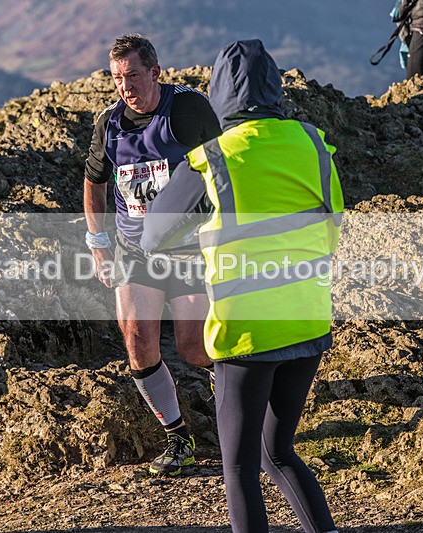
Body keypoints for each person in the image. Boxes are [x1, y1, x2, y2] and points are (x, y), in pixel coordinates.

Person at [142, 39, 343, 533]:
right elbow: (332, 223)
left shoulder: (212, 157)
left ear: (218, 95)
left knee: (238, 466)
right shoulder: (313, 143)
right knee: (278, 452)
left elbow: (152, 235)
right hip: (308, 317)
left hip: (247, 330)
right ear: (275, 88)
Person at [83, 34, 221, 477]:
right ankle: (179, 439)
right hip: (134, 250)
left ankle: (242, 415)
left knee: (195, 348)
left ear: (156, 72)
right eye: (118, 78)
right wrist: (98, 243)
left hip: (189, 249)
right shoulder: (109, 124)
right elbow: (94, 182)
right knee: (138, 340)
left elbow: (224, 168)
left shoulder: (187, 109)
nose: (126, 86)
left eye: (134, 76)